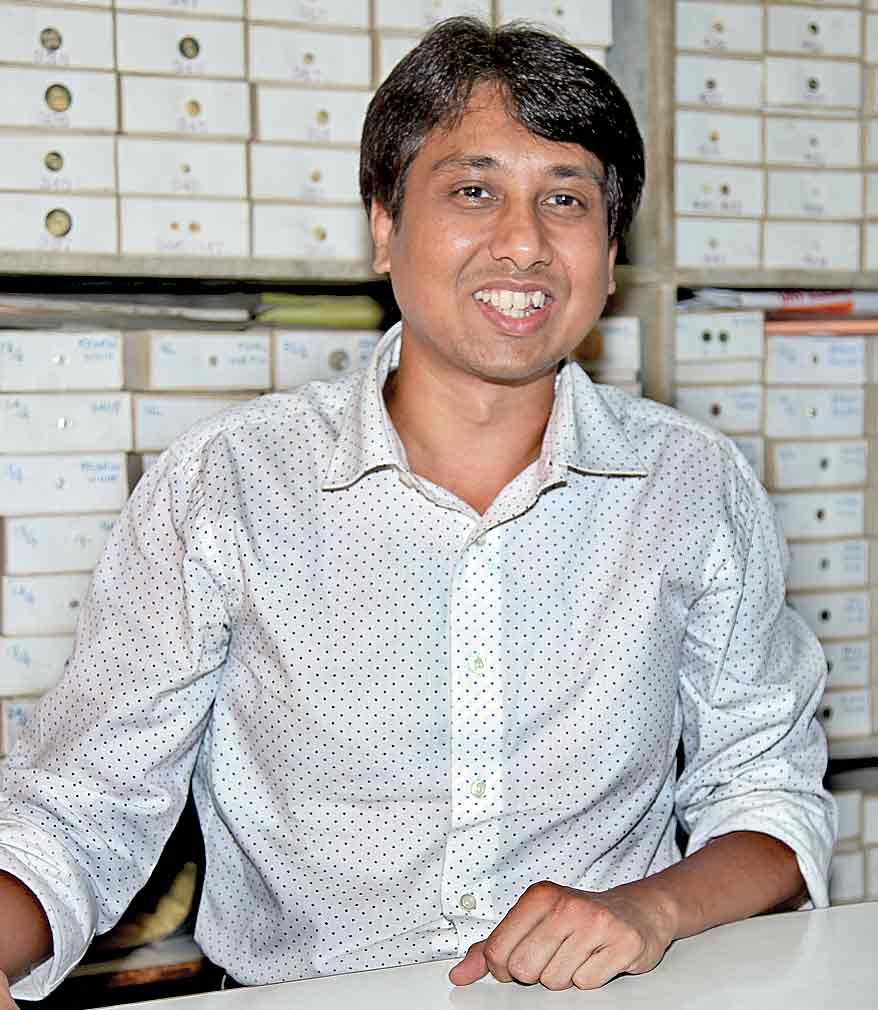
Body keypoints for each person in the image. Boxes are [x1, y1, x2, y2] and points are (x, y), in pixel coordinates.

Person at [0, 17, 834, 1006]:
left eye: (565, 199)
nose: (522, 242)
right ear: (385, 226)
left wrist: (649, 907)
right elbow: (79, 807)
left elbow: (768, 789)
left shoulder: (690, 485)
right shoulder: (228, 484)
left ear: (610, 256)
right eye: (473, 191)